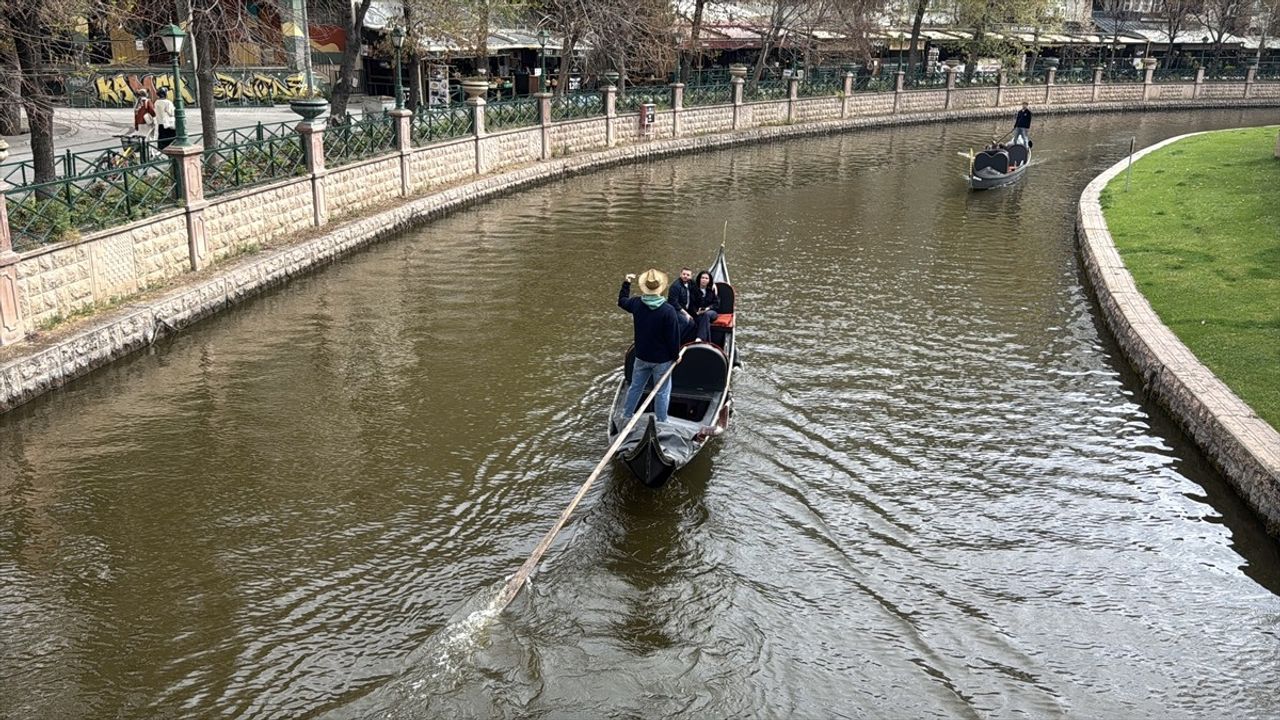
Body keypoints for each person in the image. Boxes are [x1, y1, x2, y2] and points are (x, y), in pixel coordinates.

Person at [618, 268, 683, 423]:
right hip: (662, 360)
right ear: (660, 288)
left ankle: (626, 415)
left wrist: (626, 282)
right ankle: (662, 422)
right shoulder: (668, 310)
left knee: (636, 387)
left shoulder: (636, 303)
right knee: (662, 392)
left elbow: (621, 301)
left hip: (641, 356)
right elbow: (673, 338)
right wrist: (676, 356)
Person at [690, 270, 720, 342]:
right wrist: (696, 312)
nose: (704, 280)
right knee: (704, 321)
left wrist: (707, 308)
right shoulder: (694, 290)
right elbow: (692, 304)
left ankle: (699, 338)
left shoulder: (711, 290)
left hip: (712, 313)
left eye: (706, 278)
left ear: (709, 280)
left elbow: (716, 304)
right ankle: (708, 342)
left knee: (706, 314)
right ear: (699, 279)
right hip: (698, 314)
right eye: (702, 278)